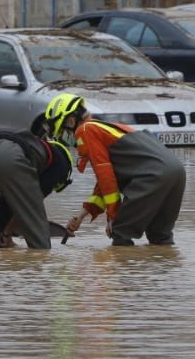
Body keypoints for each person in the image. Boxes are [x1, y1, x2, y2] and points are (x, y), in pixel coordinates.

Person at [44, 92, 185, 246]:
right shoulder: (104, 128)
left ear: (71, 121)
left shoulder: (85, 130)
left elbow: (106, 177)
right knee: (160, 237)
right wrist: (81, 216)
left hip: (154, 176)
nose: (65, 140)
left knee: (120, 233)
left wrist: (113, 216)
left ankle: (122, 269)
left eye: (62, 134)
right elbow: (104, 186)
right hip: (177, 173)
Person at [0, 120, 72, 249]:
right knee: (39, 245)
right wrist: (7, 233)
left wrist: (2, 232)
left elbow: (8, 206)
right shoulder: (60, 163)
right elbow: (28, 207)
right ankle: (38, 263)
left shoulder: (32, 146)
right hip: (10, 160)